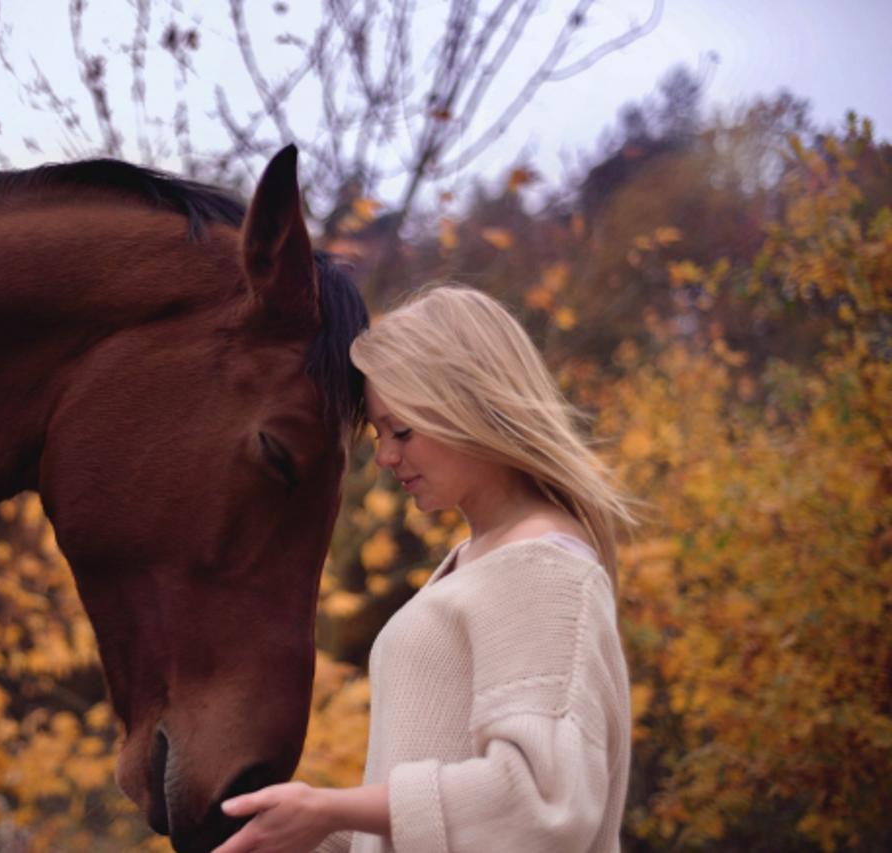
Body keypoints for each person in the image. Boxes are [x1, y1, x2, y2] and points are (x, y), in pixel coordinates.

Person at [215, 285, 636, 852]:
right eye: (379, 434)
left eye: (402, 430)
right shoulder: (479, 561)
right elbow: (433, 819)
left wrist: (330, 809)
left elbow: (539, 803)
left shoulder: (539, 566)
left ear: (472, 405)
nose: (386, 456)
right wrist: (301, 827)